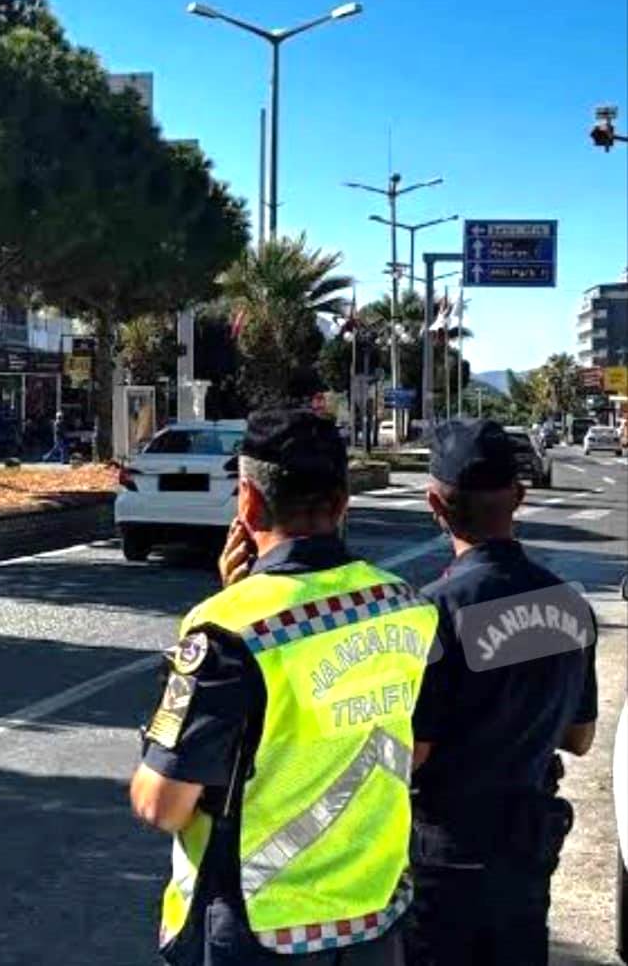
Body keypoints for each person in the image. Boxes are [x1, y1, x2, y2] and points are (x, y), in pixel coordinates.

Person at [130, 409, 438, 965]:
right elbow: (411, 749)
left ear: (247, 502)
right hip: (375, 918)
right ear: (343, 504)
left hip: (263, 931)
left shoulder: (226, 632)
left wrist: (235, 602)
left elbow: (162, 804)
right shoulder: (408, 609)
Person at [405, 418, 598, 966]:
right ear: (518, 497)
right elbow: (580, 738)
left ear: (435, 506)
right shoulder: (568, 605)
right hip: (526, 848)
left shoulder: (434, 612)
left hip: (447, 856)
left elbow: (417, 750)